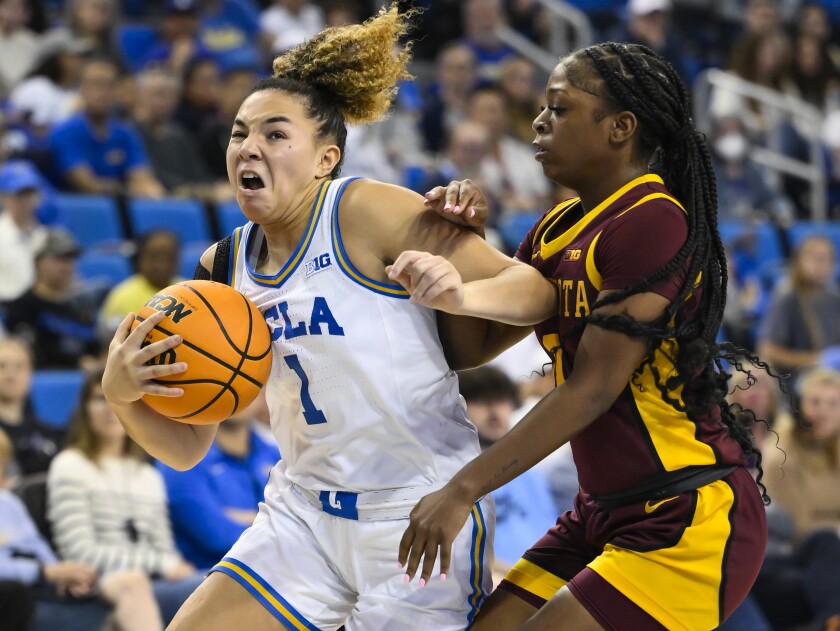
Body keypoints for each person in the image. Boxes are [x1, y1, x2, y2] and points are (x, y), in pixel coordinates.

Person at [100, 7, 546, 630]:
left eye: (276, 134)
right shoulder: (221, 265)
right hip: (302, 511)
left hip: (416, 511)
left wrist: (461, 295)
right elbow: (186, 447)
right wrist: (122, 397)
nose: (249, 146)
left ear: (324, 158)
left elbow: (532, 288)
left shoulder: (362, 210)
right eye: (238, 133)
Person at [389, 42, 769, 630]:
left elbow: (593, 388)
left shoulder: (652, 219)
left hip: (685, 514)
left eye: (559, 108)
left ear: (621, 128)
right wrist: (464, 243)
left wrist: (463, 488)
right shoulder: (554, 228)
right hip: (600, 511)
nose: (539, 121)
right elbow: (470, 350)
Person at [47, 369, 203, 627]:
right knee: (133, 582)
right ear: (84, 409)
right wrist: (163, 564)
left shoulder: (147, 474)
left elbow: (165, 547)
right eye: (99, 398)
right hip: (100, 581)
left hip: (156, 580)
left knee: (215, 584)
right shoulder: (69, 465)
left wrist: (169, 564)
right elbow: (81, 552)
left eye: (119, 399)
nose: (110, 408)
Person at [158, 402, 279, 570]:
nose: (238, 388)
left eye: (247, 380)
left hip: (276, 570)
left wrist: (245, 517)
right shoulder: (180, 457)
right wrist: (271, 519)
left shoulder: (276, 453)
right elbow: (216, 536)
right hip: (211, 573)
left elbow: (301, 517)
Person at [0, 337, 64, 478]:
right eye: (2, 366)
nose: (10, 374)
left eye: (19, 366)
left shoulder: (52, 434)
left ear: (31, 374)